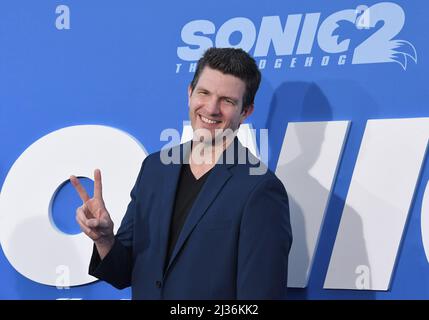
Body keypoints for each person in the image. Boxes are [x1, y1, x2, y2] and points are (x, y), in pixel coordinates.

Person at [70, 47, 292, 299]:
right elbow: (124, 273)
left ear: (246, 111)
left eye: (227, 101)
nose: (211, 109)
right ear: (189, 93)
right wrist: (104, 239)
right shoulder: (155, 169)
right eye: (204, 93)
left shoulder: (259, 189)